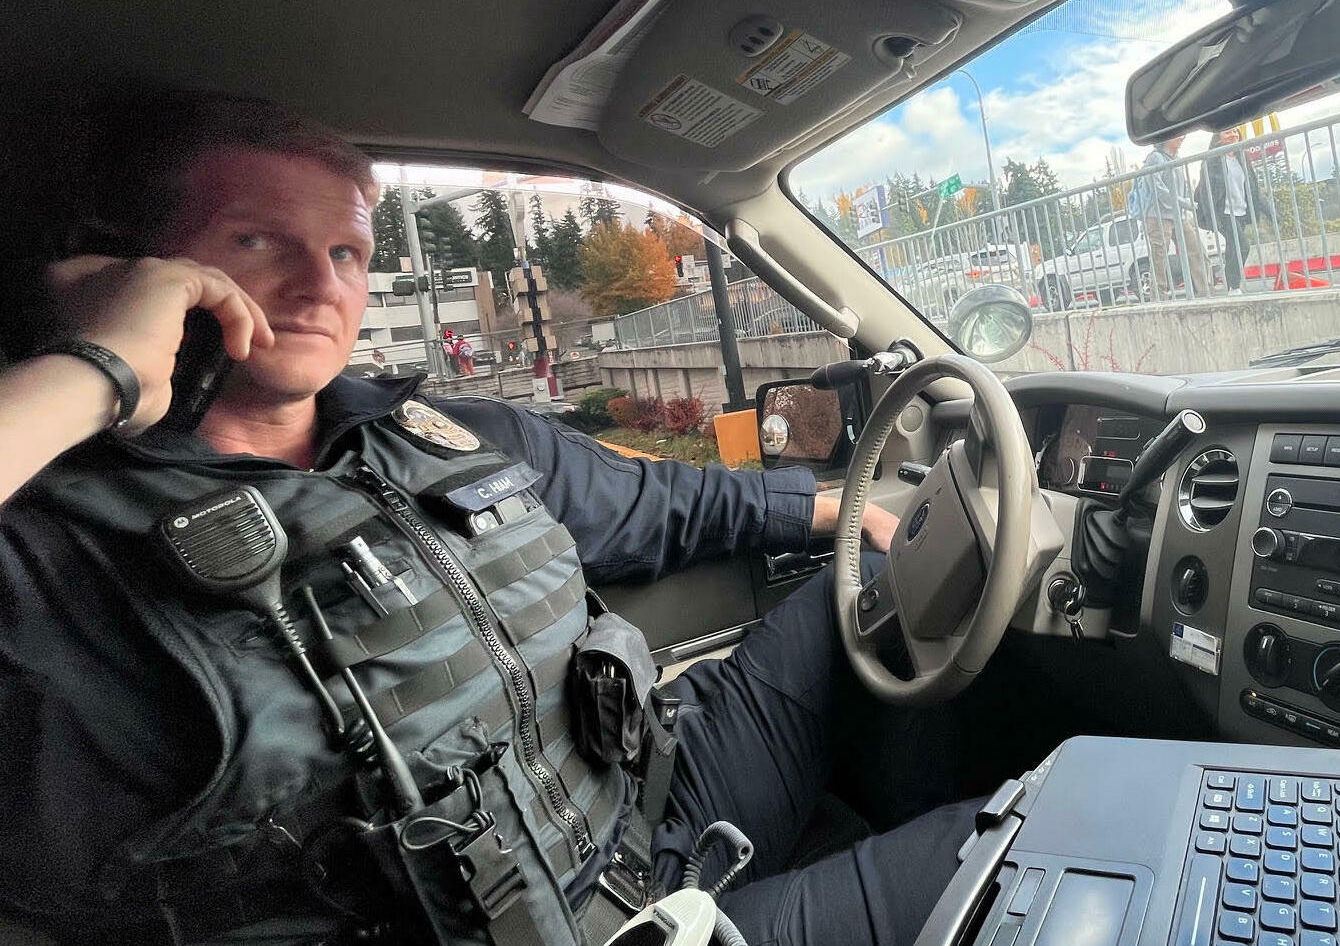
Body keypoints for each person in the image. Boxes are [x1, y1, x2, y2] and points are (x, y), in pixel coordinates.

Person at [0, 89, 988, 946]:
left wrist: (839, 507)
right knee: (1080, 837)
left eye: (345, 250)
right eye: (255, 241)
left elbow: (665, 504)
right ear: (138, 271)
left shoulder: (447, 433)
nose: (319, 286)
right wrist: (95, 368)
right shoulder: (50, 551)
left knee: (864, 589)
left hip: (652, 816)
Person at [1126, 135, 1211, 301]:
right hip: (1157, 215)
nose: (1182, 137)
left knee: (1196, 250)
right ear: (1164, 139)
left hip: (1177, 214)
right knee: (1159, 257)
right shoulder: (1155, 158)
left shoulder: (1176, 158)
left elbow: (1181, 186)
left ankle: (1205, 291)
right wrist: (1184, 203)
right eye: (1177, 135)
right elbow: (1158, 189)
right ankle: (1159, 297)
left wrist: (1184, 204)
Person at [1195, 128, 1273, 294]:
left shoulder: (1242, 158)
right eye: (1227, 132)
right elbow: (1204, 191)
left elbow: (1253, 188)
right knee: (1242, 245)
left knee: (1233, 248)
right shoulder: (1211, 161)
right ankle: (1234, 286)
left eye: (1235, 132)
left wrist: (1270, 212)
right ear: (1218, 138)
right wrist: (1212, 218)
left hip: (1240, 211)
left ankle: (1231, 286)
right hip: (1223, 212)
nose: (1233, 135)